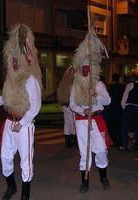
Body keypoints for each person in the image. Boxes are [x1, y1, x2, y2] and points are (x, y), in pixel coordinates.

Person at [0, 24, 42, 200]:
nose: (14, 61)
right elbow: (5, 99)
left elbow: (35, 105)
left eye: (17, 57)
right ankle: (11, 186)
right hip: (9, 123)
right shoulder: (9, 80)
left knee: (26, 162)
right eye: (12, 58)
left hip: (24, 125)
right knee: (5, 157)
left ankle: (25, 195)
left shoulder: (30, 79)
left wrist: (22, 124)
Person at [69, 26, 111, 193]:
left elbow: (108, 101)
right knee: (84, 154)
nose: (86, 72)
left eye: (88, 69)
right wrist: (82, 111)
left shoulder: (99, 84)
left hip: (97, 120)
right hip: (81, 121)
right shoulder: (76, 85)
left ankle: (103, 177)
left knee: (101, 151)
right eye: (83, 69)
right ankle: (85, 182)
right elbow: (72, 104)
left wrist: (96, 95)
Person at [57, 65, 76, 148]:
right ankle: (73, 142)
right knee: (73, 123)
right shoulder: (72, 83)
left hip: (64, 105)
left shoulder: (63, 82)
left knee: (67, 124)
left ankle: (67, 142)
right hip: (71, 105)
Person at [106, 73, 125, 147]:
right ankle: (119, 140)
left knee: (112, 125)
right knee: (119, 125)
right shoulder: (122, 87)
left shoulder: (111, 87)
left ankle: (113, 140)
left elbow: (109, 98)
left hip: (112, 108)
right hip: (119, 108)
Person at [120, 75, 138, 150]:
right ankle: (135, 144)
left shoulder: (130, 85)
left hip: (129, 107)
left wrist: (123, 106)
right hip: (137, 107)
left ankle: (124, 144)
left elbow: (125, 96)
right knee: (136, 127)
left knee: (125, 126)